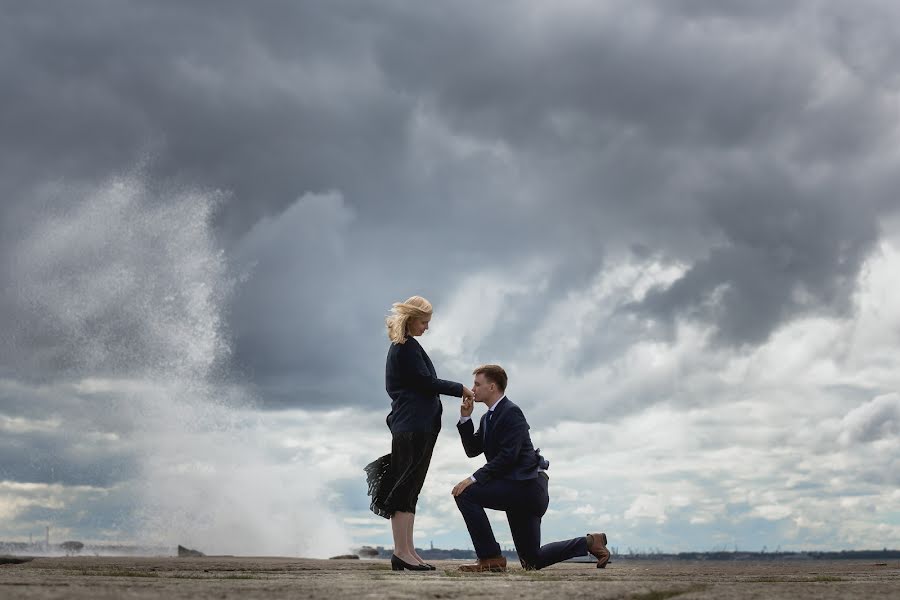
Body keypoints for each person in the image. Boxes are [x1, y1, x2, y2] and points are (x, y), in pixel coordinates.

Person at [451, 364, 610, 572]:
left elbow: (508, 457)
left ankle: (490, 557)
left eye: (477, 384)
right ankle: (590, 543)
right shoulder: (487, 417)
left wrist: (472, 479)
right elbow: (472, 450)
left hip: (526, 489)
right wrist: (465, 418)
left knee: (465, 493)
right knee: (531, 561)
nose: (473, 389)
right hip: (517, 491)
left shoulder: (511, 412)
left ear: (492, 387)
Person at [364, 296, 474, 572]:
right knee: (405, 487)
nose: (427, 327)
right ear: (411, 319)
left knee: (410, 488)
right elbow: (426, 383)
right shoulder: (404, 348)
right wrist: (460, 388)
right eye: (424, 322)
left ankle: (407, 550)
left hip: (414, 426)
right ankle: (402, 552)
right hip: (412, 426)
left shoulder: (406, 347)